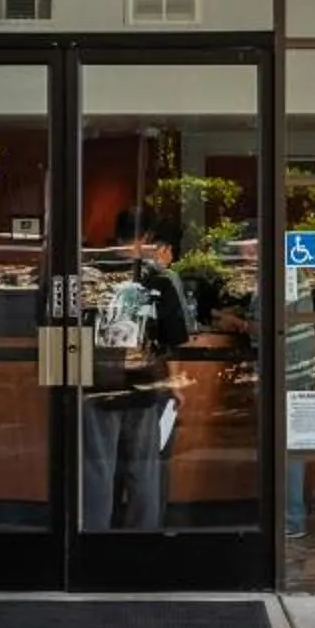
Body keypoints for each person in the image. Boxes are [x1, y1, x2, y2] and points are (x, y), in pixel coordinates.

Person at [85, 212, 193, 530]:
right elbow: (174, 338)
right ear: (145, 236)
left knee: (97, 469)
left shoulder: (90, 273)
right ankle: (143, 538)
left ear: (115, 234)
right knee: (143, 468)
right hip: (144, 383)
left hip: (98, 382)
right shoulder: (157, 276)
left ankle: (93, 536)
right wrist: (176, 384)